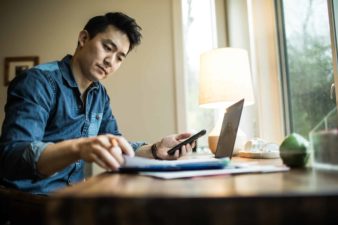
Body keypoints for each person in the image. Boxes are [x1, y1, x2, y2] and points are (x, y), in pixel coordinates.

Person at [0, 12, 194, 195]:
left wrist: (156, 149)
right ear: (84, 39)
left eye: (120, 58)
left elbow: (116, 143)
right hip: (29, 201)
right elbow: (12, 157)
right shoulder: (38, 81)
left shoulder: (99, 94)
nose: (111, 61)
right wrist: (78, 148)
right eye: (107, 48)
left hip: (74, 198)